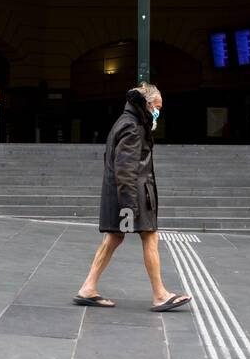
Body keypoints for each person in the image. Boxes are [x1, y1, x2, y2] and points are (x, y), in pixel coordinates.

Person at [73, 83, 192, 312]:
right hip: (133, 193)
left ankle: (88, 288)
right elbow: (125, 168)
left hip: (123, 192)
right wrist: (129, 205)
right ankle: (160, 295)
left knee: (114, 238)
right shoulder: (133, 126)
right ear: (147, 105)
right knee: (150, 236)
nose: (159, 111)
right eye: (157, 107)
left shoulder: (126, 120)